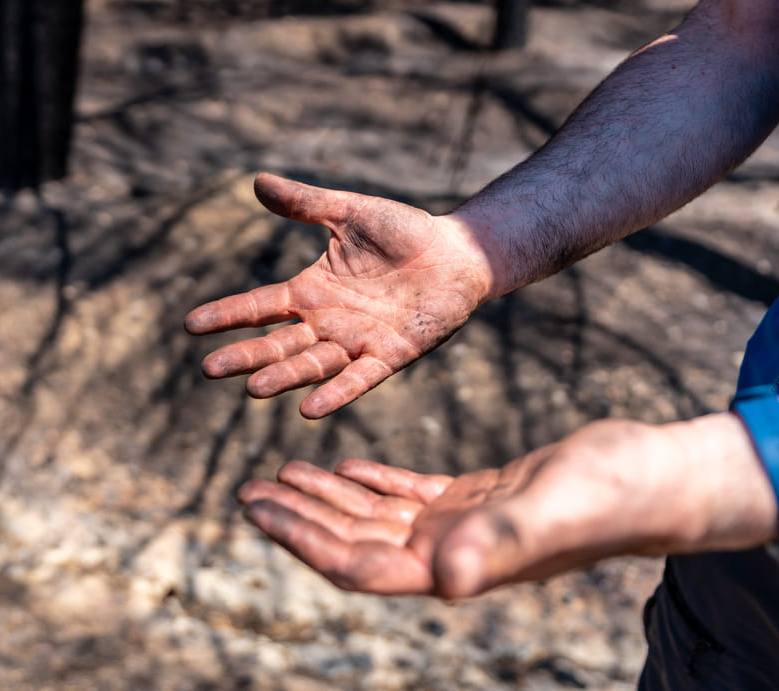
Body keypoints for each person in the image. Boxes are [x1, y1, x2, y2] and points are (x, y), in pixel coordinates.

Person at [185, 0, 779, 687]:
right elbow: (744, 42)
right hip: (742, 545)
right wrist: (477, 246)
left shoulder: (701, 477)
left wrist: (706, 477)